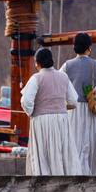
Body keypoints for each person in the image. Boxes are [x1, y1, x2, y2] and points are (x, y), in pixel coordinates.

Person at [20, 48, 80, 183]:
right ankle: (62, 188)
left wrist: (32, 112)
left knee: (44, 155)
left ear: (37, 63)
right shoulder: (63, 77)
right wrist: (58, 106)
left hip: (42, 121)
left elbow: (26, 100)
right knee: (62, 154)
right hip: (61, 120)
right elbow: (73, 101)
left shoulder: (36, 78)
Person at [60, 32, 96, 177]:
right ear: (89, 47)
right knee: (92, 146)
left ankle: (78, 179)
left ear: (74, 47)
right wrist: (94, 92)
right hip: (92, 109)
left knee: (76, 146)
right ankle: (90, 179)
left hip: (73, 111)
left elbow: (60, 85)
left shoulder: (67, 65)